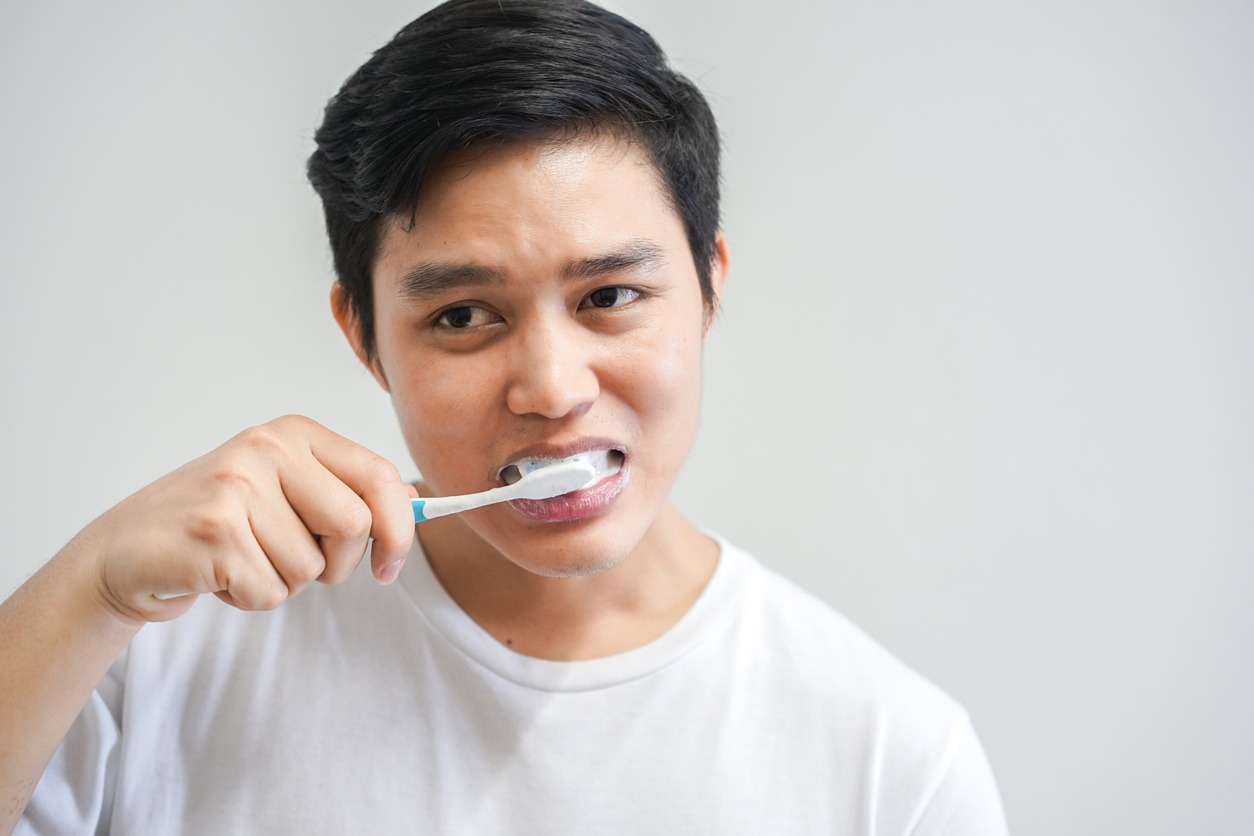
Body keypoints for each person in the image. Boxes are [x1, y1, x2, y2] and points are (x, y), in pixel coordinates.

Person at [2, 1, 1008, 832]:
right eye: (463, 315)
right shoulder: (158, 647)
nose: (552, 388)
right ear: (363, 337)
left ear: (707, 289)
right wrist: (90, 584)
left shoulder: (890, 760)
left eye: (610, 296)